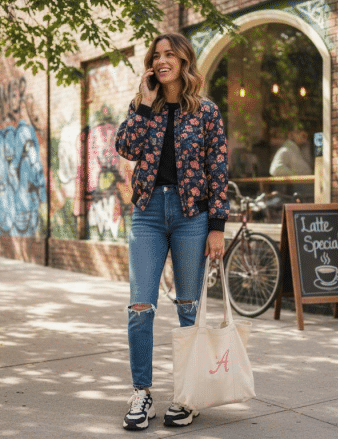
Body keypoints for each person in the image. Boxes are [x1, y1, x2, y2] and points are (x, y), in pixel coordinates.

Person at [114, 33, 229, 431]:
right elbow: (126, 148)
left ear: (184, 61)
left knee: (187, 307)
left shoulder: (206, 111)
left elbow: (218, 170)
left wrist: (217, 226)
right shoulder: (143, 107)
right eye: (157, 56)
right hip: (147, 213)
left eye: (170, 55)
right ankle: (142, 393)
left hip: (191, 216)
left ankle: (188, 394)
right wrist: (144, 104)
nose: (162, 61)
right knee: (140, 306)